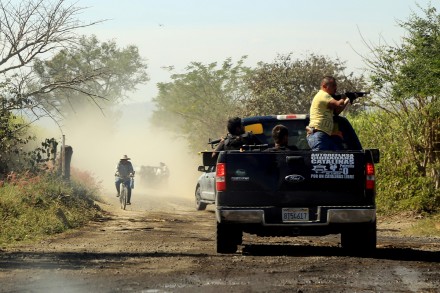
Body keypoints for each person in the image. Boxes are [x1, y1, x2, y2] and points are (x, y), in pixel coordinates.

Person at [307, 76, 350, 151]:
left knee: (333, 158)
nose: (335, 88)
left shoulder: (326, 97)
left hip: (324, 135)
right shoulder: (323, 95)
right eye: (333, 85)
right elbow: (339, 104)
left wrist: (347, 100)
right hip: (318, 134)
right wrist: (343, 97)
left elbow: (337, 111)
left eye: (336, 85)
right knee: (321, 160)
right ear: (324, 86)